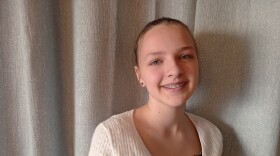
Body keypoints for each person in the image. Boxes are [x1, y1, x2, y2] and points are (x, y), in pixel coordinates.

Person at [88, 17, 223, 156]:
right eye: (156, 61)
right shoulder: (111, 136)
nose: (175, 70)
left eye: (185, 56)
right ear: (139, 75)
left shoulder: (212, 135)